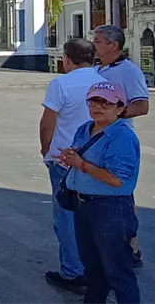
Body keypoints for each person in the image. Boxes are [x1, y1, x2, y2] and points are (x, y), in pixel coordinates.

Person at [58, 82, 141, 304]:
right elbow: (79, 159)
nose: (99, 107)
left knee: (118, 272)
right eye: (94, 101)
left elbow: (116, 179)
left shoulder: (121, 136)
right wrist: (71, 159)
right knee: (93, 270)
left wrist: (81, 164)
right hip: (83, 205)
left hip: (111, 210)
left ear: (120, 107)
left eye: (106, 102)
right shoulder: (85, 129)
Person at [39, 38, 106, 294]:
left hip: (64, 159)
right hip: (97, 160)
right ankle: (97, 267)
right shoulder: (104, 83)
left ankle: (72, 271)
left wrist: (46, 149)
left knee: (66, 216)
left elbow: (48, 122)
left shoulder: (61, 84)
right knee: (96, 215)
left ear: (66, 59)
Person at [92, 24, 149, 267]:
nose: (94, 44)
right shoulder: (96, 68)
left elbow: (142, 105)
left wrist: (114, 115)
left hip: (117, 140)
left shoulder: (129, 71)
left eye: (98, 41)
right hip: (94, 138)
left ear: (113, 45)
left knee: (121, 193)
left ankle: (131, 247)